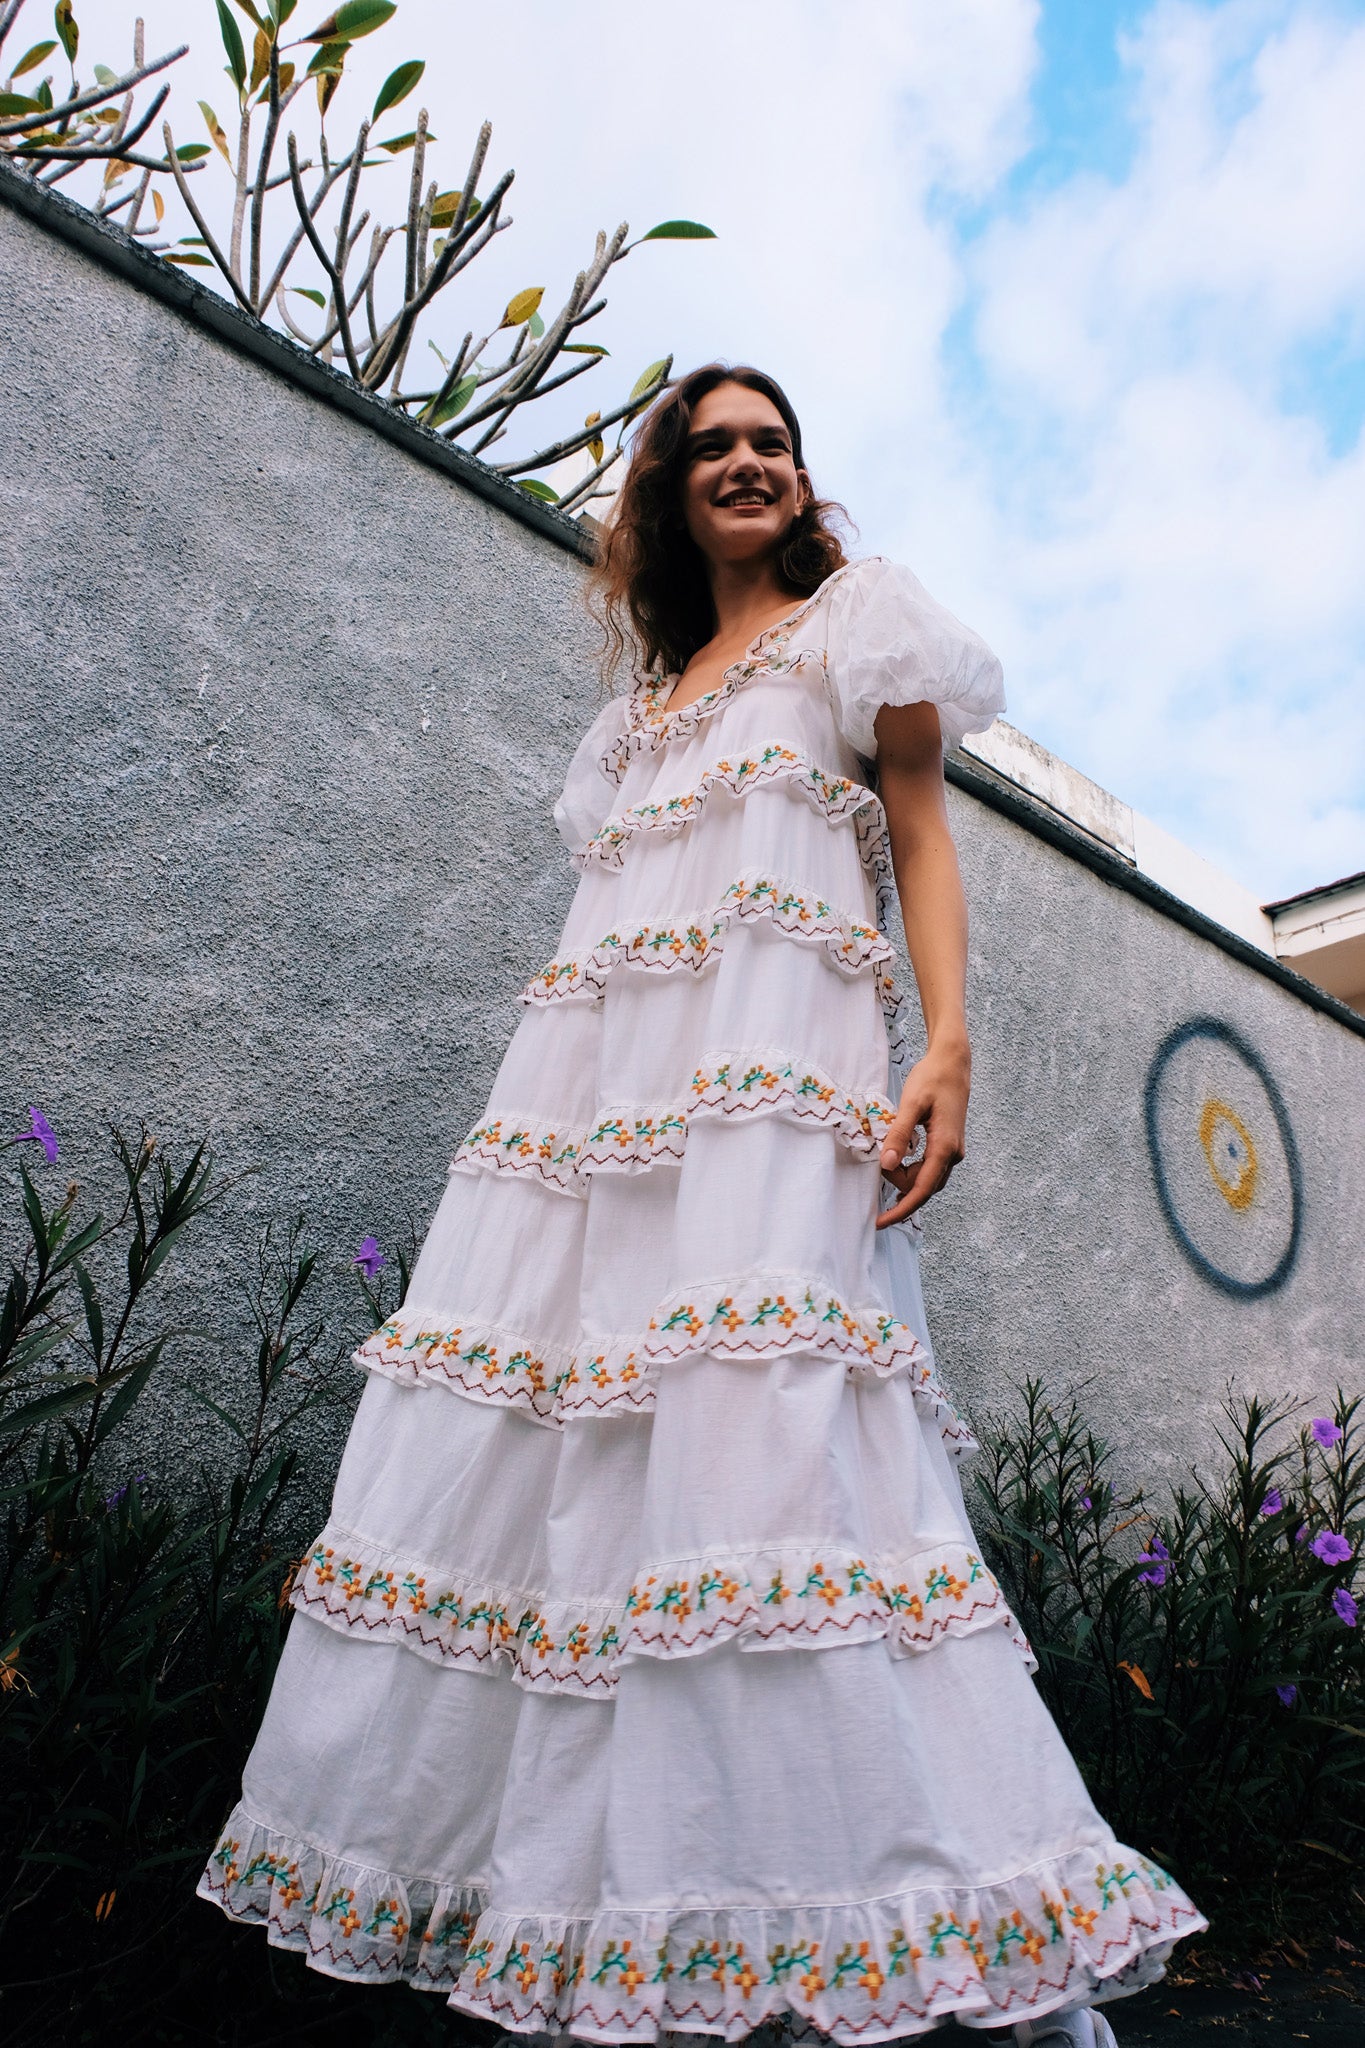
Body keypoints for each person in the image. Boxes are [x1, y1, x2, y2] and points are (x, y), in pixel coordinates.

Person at [197, 363, 1204, 2044]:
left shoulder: (855, 632)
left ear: (803, 486)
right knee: (573, 1483)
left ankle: (839, 1924)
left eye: (773, 443)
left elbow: (921, 834)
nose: (746, 462)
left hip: (768, 1109)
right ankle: (605, 1929)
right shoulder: (638, 723)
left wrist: (945, 1042)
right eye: (710, 445)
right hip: (593, 1135)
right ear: (668, 492)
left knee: (766, 1473)